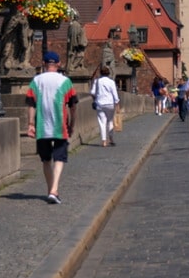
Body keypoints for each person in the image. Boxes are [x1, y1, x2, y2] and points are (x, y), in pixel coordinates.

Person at [25, 51, 79, 204]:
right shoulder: (65, 81)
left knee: (46, 160)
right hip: (60, 125)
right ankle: (54, 190)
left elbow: (31, 104)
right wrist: (72, 124)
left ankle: (50, 191)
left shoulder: (36, 81)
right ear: (59, 64)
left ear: (43, 63)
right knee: (59, 158)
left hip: (42, 126)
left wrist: (30, 124)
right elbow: (73, 106)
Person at [90, 64, 120, 147]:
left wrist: (95, 99)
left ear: (101, 73)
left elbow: (92, 93)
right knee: (110, 121)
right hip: (110, 104)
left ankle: (104, 141)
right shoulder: (111, 82)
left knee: (102, 122)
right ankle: (111, 138)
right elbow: (115, 94)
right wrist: (117, 103)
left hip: (100, 104)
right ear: (108, 73)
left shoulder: (97, 81)